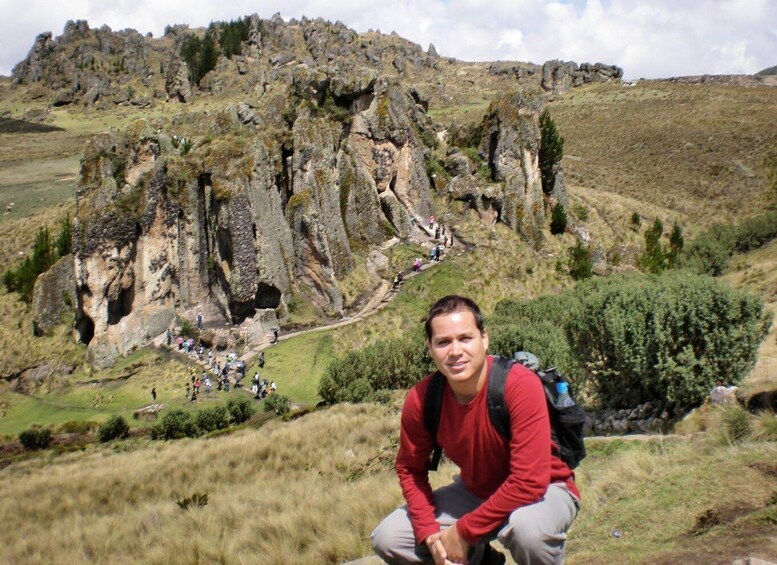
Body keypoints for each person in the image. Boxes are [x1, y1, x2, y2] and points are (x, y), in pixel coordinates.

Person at [372, 295, 579, 565]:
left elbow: (529, 481)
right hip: (476, 491)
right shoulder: (423, 399)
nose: (455, 351)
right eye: (443, 342)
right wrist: (429, 534)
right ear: (430, 349)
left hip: (546, 488)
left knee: (530, 532)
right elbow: (410, 469)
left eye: (465, 338)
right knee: (389, 538)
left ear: (484, 339)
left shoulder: (518, 385)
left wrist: (463, 532)